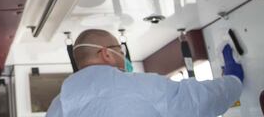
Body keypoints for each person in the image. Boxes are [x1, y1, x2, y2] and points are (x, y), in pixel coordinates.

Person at [46, 29, 244, 117]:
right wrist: (233, 80)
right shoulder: (136, 85)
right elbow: (196, 101)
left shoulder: (57, 105)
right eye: (120, 51)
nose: (123, 57)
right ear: (107, 54)